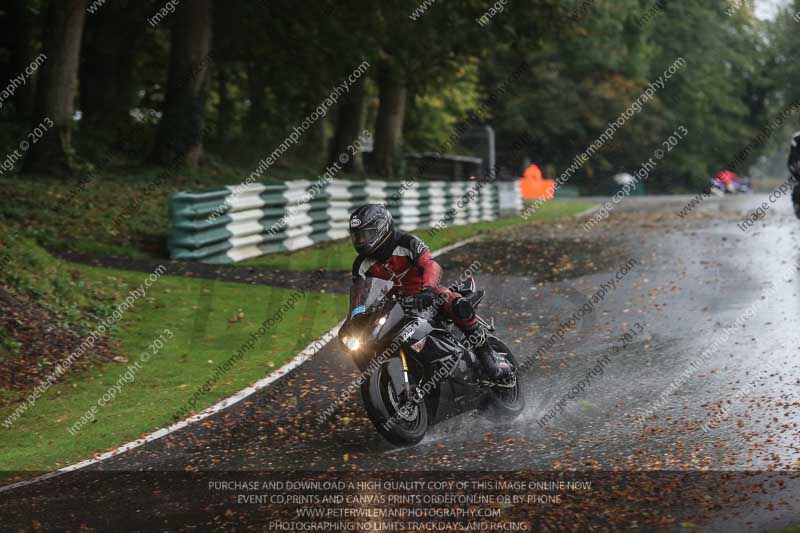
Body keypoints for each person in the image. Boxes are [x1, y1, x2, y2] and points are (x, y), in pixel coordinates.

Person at [348, 204, 511, 380]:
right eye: (357, 237)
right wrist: (356, 316)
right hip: (394, 309)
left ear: (382, 228)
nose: (361, 241)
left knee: (457, 304)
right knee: (361, 341)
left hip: (426, 295)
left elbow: (430, 264)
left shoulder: (406, 242)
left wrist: (428, 290)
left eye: (366, 235)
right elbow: (360, 294)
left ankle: (488, 359)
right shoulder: (361, 265)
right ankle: (380, 378)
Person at [789, 132, 800, 218]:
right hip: (797, 170)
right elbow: (792, 159)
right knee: (797, 189)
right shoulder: (796, 138)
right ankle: (797, 206)